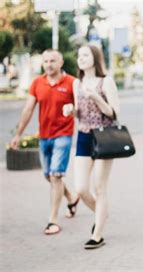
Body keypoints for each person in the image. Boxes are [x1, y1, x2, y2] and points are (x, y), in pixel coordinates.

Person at [10, 49, 80, 235]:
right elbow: (28, 110)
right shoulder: (37, 83)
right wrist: (18, 135)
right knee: (49, 175)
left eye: (52, 61)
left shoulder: (72, 83)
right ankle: (72, 197)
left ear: (61, 62)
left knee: (56, 176)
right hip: (44, 136)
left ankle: (53, 220)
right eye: (46, 61)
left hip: (63, 135)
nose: (48, 64)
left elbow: (80, 111)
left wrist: (73, 110)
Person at [63, 44, 119, 249]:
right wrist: (71, 111)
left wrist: (96, 97)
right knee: (81, 188)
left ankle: (98, 235)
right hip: (84, 136)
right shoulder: (76, 84)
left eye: (85, 55)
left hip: (104, 137)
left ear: (95, 58)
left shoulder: (106, 82)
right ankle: (101, 213)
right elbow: (80, 113)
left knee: (100, 187)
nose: (81, 58)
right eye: (79, 55)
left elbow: (114, 113)